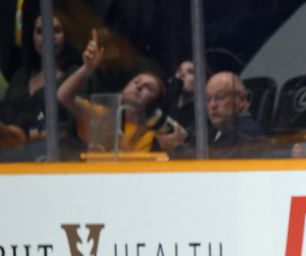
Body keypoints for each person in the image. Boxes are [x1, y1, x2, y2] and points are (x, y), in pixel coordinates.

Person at [57, 28, 180, 154]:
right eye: (136, 81)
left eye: (148, 87)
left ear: (155, 103)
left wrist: (175, 146)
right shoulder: (102, 117)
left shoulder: (154, 136)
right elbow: (64, 96)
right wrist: (87, 68)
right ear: (124, 88)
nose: (138, 87)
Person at [3, 14, 80, 142]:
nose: (49, 37)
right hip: (13, 154)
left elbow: (75, 125)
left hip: (59, 154)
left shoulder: (75, 76)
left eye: (56, 31)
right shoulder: (21, 77)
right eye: (40, 31)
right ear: (32, 38)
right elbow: (7, 114)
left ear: (66, 37)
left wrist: (31, 135)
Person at [204, 71, 266, 159]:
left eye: (220, 97)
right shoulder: (216, 129)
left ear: (241, 99)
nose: (212, 105)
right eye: (208, 99)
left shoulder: (246, 135)